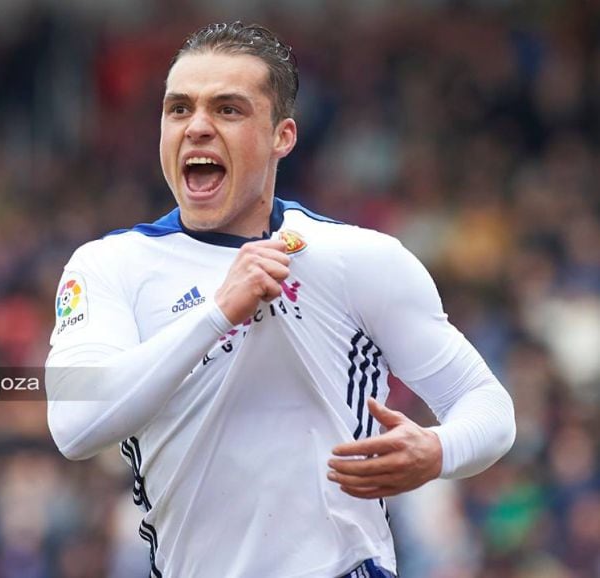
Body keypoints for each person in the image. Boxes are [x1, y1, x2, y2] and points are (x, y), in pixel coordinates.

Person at [45, 22, 516, 578]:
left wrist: (437, 451)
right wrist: (218, 311)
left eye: (228, 109)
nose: (197, 127)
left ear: (282, 136)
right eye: (179, 109)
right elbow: (75, 427)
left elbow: (488, 407)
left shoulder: (357, 257)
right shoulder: (109, 267)